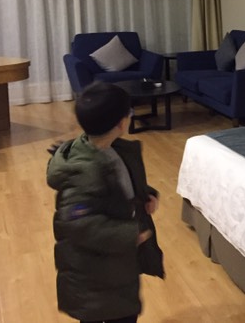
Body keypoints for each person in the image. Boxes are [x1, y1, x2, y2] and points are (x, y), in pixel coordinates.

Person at [47, 82, 164, 323]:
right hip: (92, 273)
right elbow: (78, 224)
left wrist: (146, 195)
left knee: (124, 310)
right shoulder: (83, 172)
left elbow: (123, 185)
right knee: (108, 314)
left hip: (115, 265)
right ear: (121, 123)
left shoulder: (114, 150)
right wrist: (131, 234)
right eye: (130, 113)